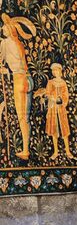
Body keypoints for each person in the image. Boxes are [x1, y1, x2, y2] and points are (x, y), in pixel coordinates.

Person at [0, 13, 35, 160]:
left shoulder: (5, 43)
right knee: (25, 117)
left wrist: (5, 70)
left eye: (4, 27)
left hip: (19, 80)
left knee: (21, 117)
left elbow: (2, 61)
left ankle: (26, 151)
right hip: (29, 79)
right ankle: (26, 148)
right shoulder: (18, 42)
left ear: (9, 30)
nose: (2, 29)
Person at [34, 62, 75, 160]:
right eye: (54, 71)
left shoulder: (63, 83)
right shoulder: (50, 82)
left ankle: (67, 151)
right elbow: (48, 93)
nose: (55, 72)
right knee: (54, 131)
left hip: (61, 109)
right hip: (52, 108)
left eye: (57, 70)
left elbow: (66, 95)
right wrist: (52, 97)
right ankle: (56, 152)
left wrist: (62, 101)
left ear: (60, 71)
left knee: (64, 130)